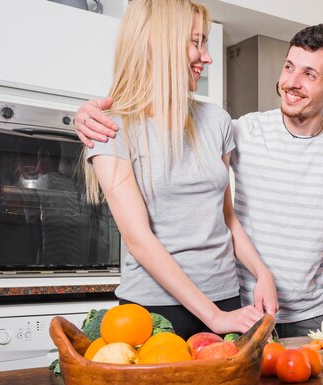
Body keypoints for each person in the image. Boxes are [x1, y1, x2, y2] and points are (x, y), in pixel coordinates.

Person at [76, 23, 323, 338]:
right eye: (289, 67)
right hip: (243, 305)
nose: (291, 83)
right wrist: (86, 115)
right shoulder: (240, 131)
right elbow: (163, 127)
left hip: (313, 313)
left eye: (309, 75)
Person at [82, 0, 276, 340]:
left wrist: (262, 273)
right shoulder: (112, 128)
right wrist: (213, 317)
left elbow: (227, 218)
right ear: (160, 44)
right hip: (154, 310)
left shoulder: (215, 120)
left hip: (226, 298)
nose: (208, 56)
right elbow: (139, 240)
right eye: (196, 42)